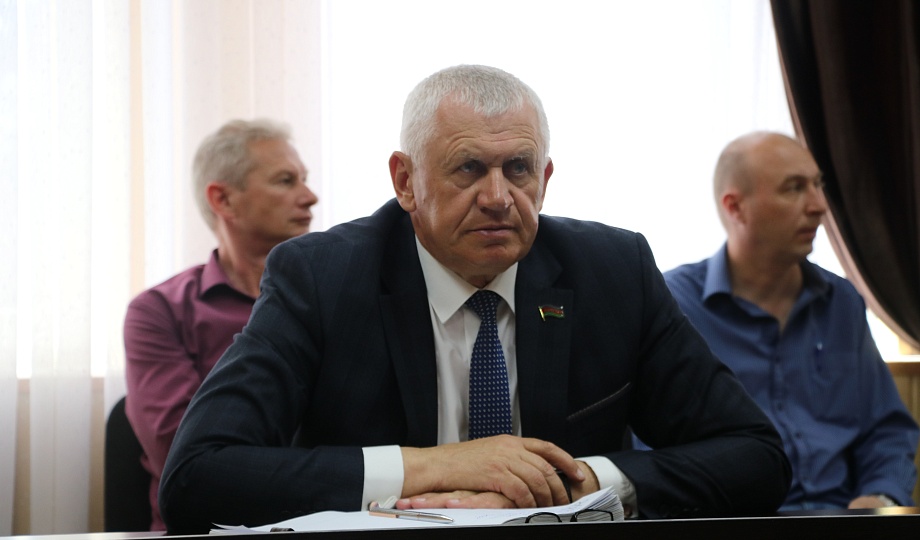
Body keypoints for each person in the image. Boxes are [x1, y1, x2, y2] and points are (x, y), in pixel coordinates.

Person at [159, 65, 791, 534]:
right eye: (468, 169)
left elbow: (754, 456)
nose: (497, 197)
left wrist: (574, 484)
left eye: (518, 169)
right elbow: (198, 477)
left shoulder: (612, 271)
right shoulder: (323, 278)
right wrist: (437, 467)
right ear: (406, 181)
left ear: (545, 180)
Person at [661, 131, 919, 510]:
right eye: (794, 188)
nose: (819, 205)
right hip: (730, 523)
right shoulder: (674, 303)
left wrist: (880, 496)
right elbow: (656, 445)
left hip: (843, 520)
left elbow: (886, 429)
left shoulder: (842, 300)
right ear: (736, 207)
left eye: (818, 185)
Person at [123, 118, 319, 530]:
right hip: (204, 531)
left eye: (304, 179)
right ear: (223, 200)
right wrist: (335, 467)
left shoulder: (334, 297)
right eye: (286, 181)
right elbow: (188, 460)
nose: (310, 196)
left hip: (331, 521)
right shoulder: (158, 312)